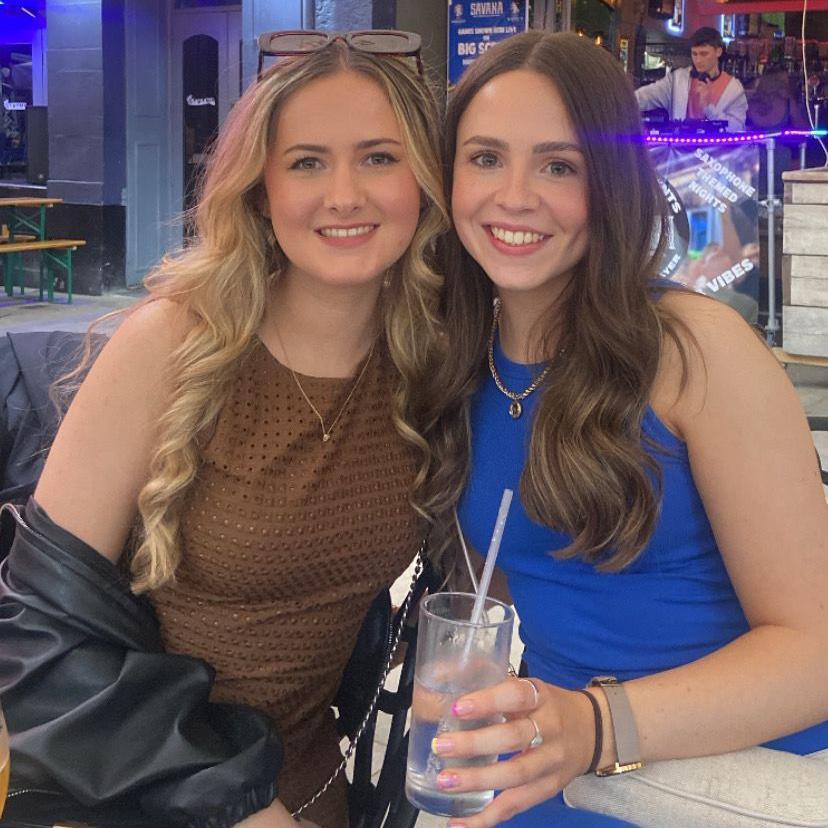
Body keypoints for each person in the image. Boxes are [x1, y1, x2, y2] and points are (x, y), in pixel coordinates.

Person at [0, 32, 448, 828]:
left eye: (379, 157)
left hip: (314, 790)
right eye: (307, 162)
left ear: (424, 180)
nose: (344, 194)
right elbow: (34, 629)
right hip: (138, 790)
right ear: (260, 188)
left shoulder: (430, 363)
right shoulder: (171, 344)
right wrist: (240, 810)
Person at [424, 30, 828, 827]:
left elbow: (817, 651)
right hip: (548, 774)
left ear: (609, 184)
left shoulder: (694, 349)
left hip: (721, 781)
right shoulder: (457, 358)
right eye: (484, 158)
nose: (514, 195)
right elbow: (511, 590)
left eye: (558, 165)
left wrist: (597, 725)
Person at [635, 27, 748, 131]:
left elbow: (737, 128)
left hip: (717, 152)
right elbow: (645, 97)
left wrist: (709, 108)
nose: (698, 60)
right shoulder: (677, 80)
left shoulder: (734, 89)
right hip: (680, 151)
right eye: (694, 54)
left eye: (704, 54)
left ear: (718, 52)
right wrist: (621, 100)